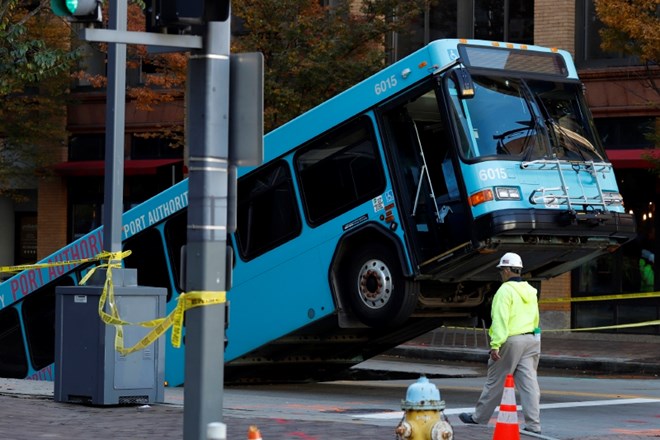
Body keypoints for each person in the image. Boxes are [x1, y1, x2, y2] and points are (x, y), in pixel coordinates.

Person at [459, 252, 542, 434]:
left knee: (495, 381)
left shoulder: (504, 290)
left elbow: (500, 320)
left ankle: (479, 418)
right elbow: (535, 318)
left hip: (511, 341)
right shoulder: (530, 290)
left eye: (500, 271)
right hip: (531, 340)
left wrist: (495, 345)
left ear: (505, 270)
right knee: (529, 384)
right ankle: (534, 425)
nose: (500, 274)